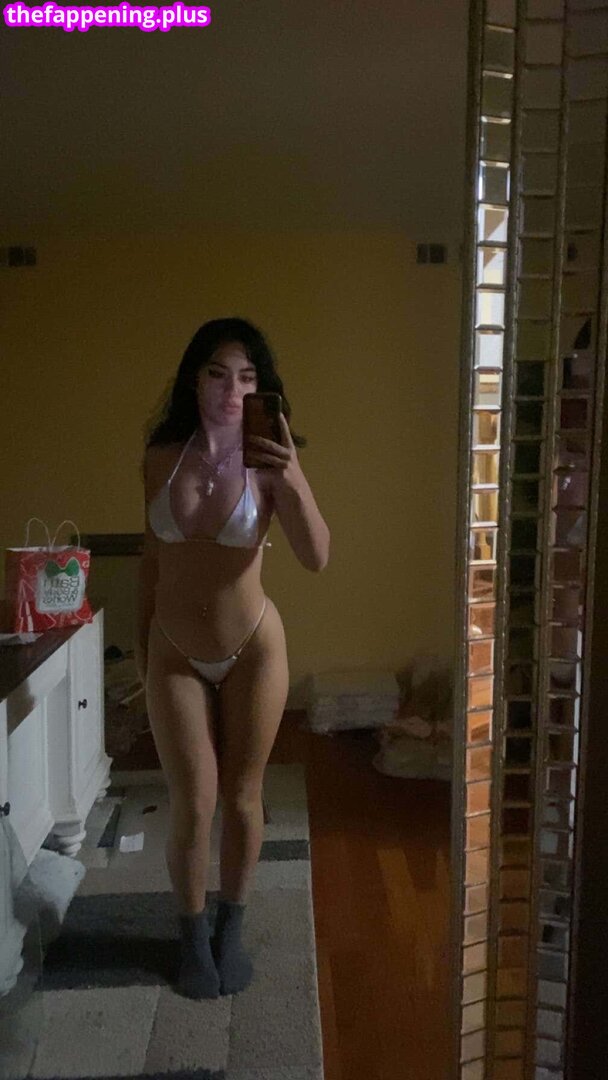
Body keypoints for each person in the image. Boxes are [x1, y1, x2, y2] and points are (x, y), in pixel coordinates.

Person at [135, 317, 330, 1000]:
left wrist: (292, 477)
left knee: (244, 797)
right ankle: (191, 936)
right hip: (173, 652)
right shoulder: (161, 455)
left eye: (247, 378)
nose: (231, 390)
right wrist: (141, 648)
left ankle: (231, 928)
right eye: (218, 374)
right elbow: (151, 559)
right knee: (194, 801)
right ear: (195, 379)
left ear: (261, 389)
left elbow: (316, 556)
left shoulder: (269, 460)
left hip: (254, 650)